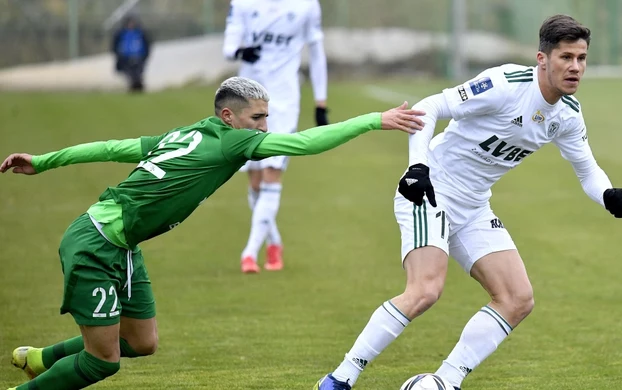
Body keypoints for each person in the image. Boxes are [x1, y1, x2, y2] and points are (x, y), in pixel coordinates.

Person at [2, 77, 425, 390]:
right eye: (256, 118)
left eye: (265, 118)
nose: (262, 127)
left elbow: (112, 147)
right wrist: (374, 120)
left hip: (121, 246)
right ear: (228, 116)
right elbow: (306, 144)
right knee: (103, 362)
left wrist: (44, 161)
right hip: (95, 244)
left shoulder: (188, 133)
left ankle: (41, 358)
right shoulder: (231, 143)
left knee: (142, 341)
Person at [314, 14, 622, 390]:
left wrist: (607, 194)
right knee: (425, 290)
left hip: (474, 205)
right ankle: (338, 380)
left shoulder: (567, 115)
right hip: (431, 188)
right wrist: (418, 168)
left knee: (517, 298)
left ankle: (445, 381)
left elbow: (587, 170)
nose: (575, 67)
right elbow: (430, 105)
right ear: (542, 59)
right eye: (566, 57)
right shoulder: (504, 84)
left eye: (582, 59)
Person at [222, 0, 329, 273]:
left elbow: (317, 53)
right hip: (246, 99)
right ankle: (274, 243)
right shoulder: (243, 3)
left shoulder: (306, 6)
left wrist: (320, 102)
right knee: (256, 181)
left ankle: (249, 252)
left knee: (272, 170)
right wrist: (240, 51)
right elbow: (229, 45)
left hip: (283, 101)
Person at [112, 15, 152, 93]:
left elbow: (147, 45)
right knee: (130, 74)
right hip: (125, 58)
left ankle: (138, 87)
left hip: (139, 57)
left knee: (138, 74)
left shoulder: (140, 32)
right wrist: (119, 56)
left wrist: (145, 56)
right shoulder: (121, 33)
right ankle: (133, 87)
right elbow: (115, 45)